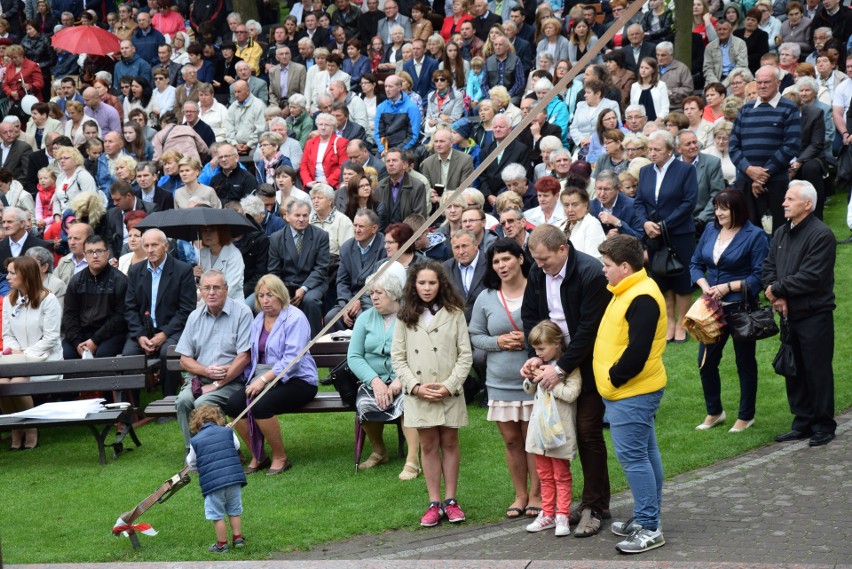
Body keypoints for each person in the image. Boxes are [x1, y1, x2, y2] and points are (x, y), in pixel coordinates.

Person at [520, 223, 611, 538]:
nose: (540, 265)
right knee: (554, 435)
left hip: (586, 363)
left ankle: (594, 505)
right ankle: (563, 506)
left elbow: (589, 329)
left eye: (545, 259)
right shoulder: (537, 272)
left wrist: (560, 368)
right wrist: (537, 356)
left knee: (587, 432)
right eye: (536, 259)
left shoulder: (590, 272)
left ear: (563, 249)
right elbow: (531, 316)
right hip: (553, 361)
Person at [593, 234, 668, 554]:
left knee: (634, 458)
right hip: (629, 391)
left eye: (607, 265)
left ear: (625, 267)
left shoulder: (642, 296)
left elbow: (637, 352)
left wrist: (614, 377)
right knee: (646, 454)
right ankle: (645, 516)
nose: (603, 271)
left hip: (631, 392)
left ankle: (650, 526)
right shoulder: (627, 289)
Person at [392, 259, 472, 527]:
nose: (427, 288)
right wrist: (415, 387)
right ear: (414, 285)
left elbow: (465, 356)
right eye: (422, 282)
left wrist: (449, 385)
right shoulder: (404, 316)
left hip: (449, 392)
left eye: (432, 283)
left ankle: (451, 500)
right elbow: (398, 358)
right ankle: (434, 502)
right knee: (428, 445)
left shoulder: (455, 313)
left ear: (441, 284)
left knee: (449, 443)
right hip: (420, 394)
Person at [467, 238, 542, 518]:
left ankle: (537, 493)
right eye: (496, 261)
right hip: (499, 382)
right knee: (511, 441)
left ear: (521, 259)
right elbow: (475, 335)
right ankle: (520, 494)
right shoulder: (486, 297)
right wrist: (498, 342)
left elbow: (552, 328)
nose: (501, 265)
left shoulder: (538, 290)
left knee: (533, 439)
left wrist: (529, 339)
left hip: (534, 381)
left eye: (506, 259)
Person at [762, 181, 836, 447]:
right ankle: (802, 422)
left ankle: (823, 424)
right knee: (793, 369)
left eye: (790, 199)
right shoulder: (781, 233)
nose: (784, 203)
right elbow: (768, 265)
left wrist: (777, 290)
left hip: (814, 314)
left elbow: (811, 276)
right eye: (785, 198)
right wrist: (774, 291)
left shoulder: (821, 235)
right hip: (789, 314)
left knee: (816, 370)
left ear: (808, 204)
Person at [689, 189, 769, 433]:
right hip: (711, 309)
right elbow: (695, 263)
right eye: (716, 207)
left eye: (724, 208)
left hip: (741, 309)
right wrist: (706, 287)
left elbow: (759, 276)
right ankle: (715, 412)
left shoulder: (755, 235)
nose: (718, 213)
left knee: (745, 362)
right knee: (705, 362)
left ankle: (746, 416)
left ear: (737, 209)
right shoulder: (711, 230)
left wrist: (726, 287)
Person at [226, 274, 318, 475]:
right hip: (264, 378)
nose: (265, 300)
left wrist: (263, 380)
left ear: (281, 295)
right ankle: (258, 454)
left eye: (270, 295)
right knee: (233, 404)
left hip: (298, 380)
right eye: (261, 295)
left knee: (261, 405)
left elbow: (292, 361)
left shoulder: (295, 318)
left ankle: (280, 457)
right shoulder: (258, 318)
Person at [347, 264, 422, 478]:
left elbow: (418, 353)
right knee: (364, 402)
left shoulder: (410, 317)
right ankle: (379, 451)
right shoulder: (365, 318)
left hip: (406, 379)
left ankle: (413, 460)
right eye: (371, 293)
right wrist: (375, 381)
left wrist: (400, 380)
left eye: (378, 293)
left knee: (407, 403)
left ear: (393, 293)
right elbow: (354, 356)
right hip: (375, 381)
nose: (374, 298)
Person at [175, 269, 253, 450]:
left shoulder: (242, 313)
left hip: (232, 380)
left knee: (203, 402)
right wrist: (205, 371)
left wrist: (217, 383)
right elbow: (184, 360)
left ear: (226, 289)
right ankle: (193, 452)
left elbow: (244, 357)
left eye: (216, 287)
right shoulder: (194, 317)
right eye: (206, 288)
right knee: (183, 401)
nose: (211, 293)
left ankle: (222, 451)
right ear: (200, 291)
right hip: (199, 379)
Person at [634, 130, 699, 343]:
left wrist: (663, 226)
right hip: (653, 235)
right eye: (650, 149)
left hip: (679, 233)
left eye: (657, 149)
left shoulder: (685, 170)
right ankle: (670, 321)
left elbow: (689, 203)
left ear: (670, 150)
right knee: (661, 278)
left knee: (681, 279)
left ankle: (682, 322)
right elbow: (639, 202)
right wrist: (645, 223)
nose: (652, 153)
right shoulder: (645, 171)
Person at [521, 320, 581, 537]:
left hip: (560, 431)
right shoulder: (539, 364)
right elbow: (528, 391)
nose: (538, 353)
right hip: (540, 431)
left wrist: (551, 381)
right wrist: (531, 377)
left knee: (561, 475)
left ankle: (562, 514)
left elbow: (571, 394)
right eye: (535, 349)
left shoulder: (568, 367)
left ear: (557, 344)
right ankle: (547, 513)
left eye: (541, 348)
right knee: (544, 475)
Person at [123, 229, 196, 397]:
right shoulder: (135, 271)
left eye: (154, 245)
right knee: (128, 355)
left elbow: (186, 310)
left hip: (172, 329)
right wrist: (140, 335)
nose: (150, 250)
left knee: (167, 352)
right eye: (146, 245)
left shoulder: (182, 270)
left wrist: (164, 334)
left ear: (166, 246)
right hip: (143, 330)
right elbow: (130, 308)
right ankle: (132, 408)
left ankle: (168, 399)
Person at [1, 255, 62, 449]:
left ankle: (31, 427)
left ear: (26, 275)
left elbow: (51, 338)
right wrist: (15, 351)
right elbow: (7, 334)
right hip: (18, 359)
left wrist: (26, 353)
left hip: (44, 358)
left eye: (12, 273)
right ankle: (15, 427)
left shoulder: (48, 299)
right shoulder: (9, 300)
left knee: (18, 382)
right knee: (1, 383)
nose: (7, 277)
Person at [729, 65, 800, 231]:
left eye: (766, 82)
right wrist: (749, 170)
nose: (761, 86)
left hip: (775, 182)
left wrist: (763, 174)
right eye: (758, 82)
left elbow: (791, 144)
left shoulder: (789, 108)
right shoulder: (745, 110)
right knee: (746, 232)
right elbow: (733, 146)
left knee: (778, 232)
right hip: (745, 182)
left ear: (778, 82)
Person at [186, 405, 247, 554]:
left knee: (217, 515)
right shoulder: (227, 431)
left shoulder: (195, 440)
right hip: (234, 480)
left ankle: (222, 544)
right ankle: (238, 538)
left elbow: (191, 462)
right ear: (217, 419)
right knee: (234, 511)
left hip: (213, 484)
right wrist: (227, 432)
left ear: (196, 423)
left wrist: (196, 470)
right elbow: (236, 446)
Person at [267, 199, 330, 336]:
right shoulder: (276, 238)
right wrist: (282, 292)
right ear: (287, 216)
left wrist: (303, 289)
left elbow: (321, 268)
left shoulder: (321, 236)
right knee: (270, 300)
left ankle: (314, 344)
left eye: (305, 215)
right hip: (286, 285)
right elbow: (274, 271)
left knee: (310, 301)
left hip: (313, 284)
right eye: (297, 215)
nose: (301, 219)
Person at [62, 234, 129, 360]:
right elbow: (70, 315)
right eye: (90, 252)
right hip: (81, 333)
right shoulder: (76, 281)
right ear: (84, 255)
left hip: (110, 334)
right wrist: (77, 343)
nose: (95, 256)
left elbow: (120, 316)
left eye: (99, 251)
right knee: (67, 355)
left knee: (103, 354)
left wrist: (95, 340)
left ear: (107, 253)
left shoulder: (120, 280)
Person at [195, 226, 245, 303]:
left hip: (231, 304)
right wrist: (195, 275)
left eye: (211, 230)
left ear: (222, 232)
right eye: (204, 230)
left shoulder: (234, 255)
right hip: (206, 303)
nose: (207, 234)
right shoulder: (202, 253)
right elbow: (200, 285)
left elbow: (230, 289)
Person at [300, 113, 349, 189]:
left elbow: (343, 166)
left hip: (332, 184)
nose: (323, 127)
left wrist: (328, 181)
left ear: (333, 127)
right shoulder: (310, 143)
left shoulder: (341, 142)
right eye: (320, 124)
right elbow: (303, 165)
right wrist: (307, 181)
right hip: (312, 183)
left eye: (327, 125)